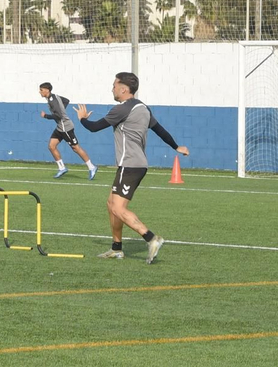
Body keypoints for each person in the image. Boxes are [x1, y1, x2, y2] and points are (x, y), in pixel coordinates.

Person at [74, 71, 189, 264]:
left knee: (118, 208)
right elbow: (160, 130)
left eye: (114, 85)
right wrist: (176, 146)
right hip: (134, 165)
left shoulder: (122, 109)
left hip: (130, 164)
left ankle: (151, 238)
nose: (112, 88)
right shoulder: (143, 108)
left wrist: (82, 119)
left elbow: (93, 128)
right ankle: (116, 248)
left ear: (123, 88)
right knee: (111, 205)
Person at [39, 81, 96, 180]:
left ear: (47, 90)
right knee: (51, 146)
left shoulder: (52, 100)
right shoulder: (53, 97)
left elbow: (59, 115)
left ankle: (92, 167)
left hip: (66, 127)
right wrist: (62, 109)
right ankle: (62, 168)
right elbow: (66, 100)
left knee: (76, 148)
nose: (40, 92)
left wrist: (46, 116)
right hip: (60, 127)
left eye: (41, 90)